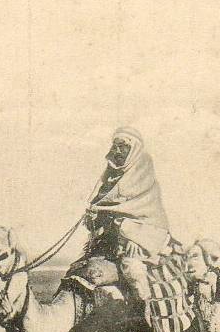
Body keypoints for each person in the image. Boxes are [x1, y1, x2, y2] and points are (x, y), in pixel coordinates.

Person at [71, 128, 172, 310]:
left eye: (123, 147)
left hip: (141, 239)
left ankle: (147, 313)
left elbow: (148, 215)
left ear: (133, 149)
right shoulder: (110, 175)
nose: (117, 151)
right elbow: (101, 209)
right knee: (78, 270)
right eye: (115, 146)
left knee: (132, 268)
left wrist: (135, 237)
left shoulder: (143, 173)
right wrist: (93, 216)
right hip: (108, 243)